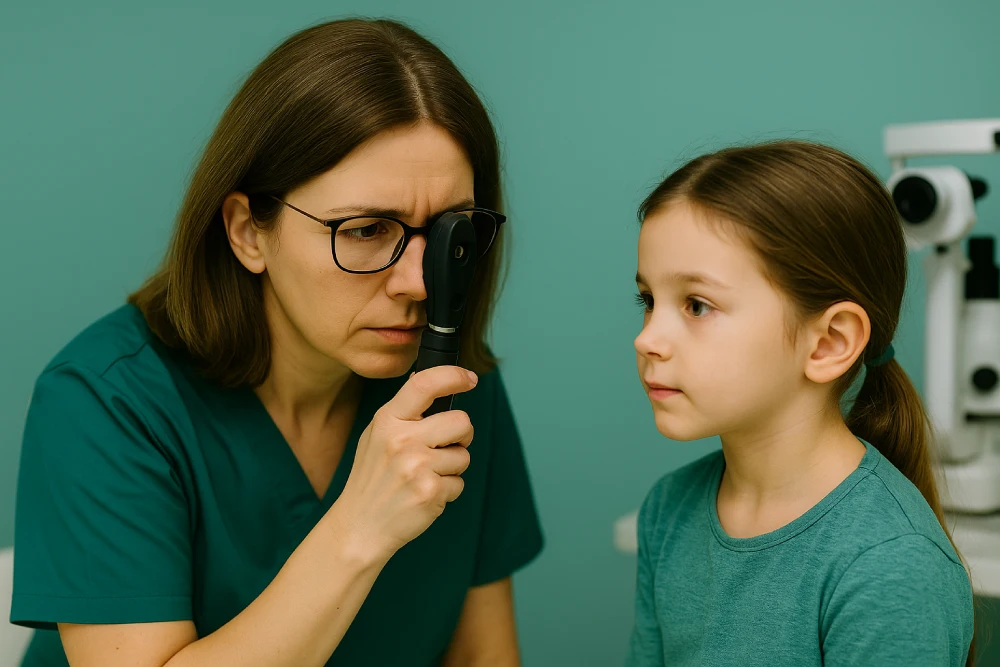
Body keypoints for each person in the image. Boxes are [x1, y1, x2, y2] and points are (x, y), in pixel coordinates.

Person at [11, 18, 543, 667]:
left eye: (449, 232)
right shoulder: (103, 402)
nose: (419, 282)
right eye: (366, 229)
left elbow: (483, 657)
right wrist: (358, 527)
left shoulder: (454, 385)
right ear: (247, 232)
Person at [626, 141, 974, 666]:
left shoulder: (890, 566)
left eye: (697, 305)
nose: (647, 338)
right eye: (649, 301)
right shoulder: (668, 510)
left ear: (829, 342)